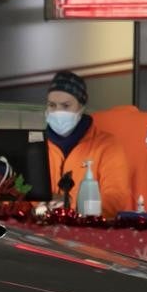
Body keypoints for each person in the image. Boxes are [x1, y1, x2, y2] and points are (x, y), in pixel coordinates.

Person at [44, 71, 132, 218]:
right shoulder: (37, 146)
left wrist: (69, 205)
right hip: (39, 233)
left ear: (81, 107)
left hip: (89, 233)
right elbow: (23, 195)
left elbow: (115, 199)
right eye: (52, 105)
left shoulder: (107, 146)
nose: (58, 111)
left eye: (66, 106)